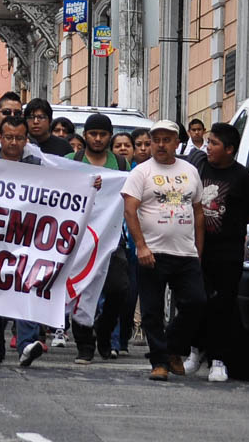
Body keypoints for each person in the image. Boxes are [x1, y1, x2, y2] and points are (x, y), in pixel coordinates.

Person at [123, 119, 207, 381]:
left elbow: (198, 211)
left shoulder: (190, 171)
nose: (160, 144)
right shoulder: (142, 172)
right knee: (152, 310)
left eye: (166, 139)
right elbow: (130, 209)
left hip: (185, 253)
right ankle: (159, 362)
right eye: (155, 139)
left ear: (176, 143)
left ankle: (172, 348)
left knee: (196, 303)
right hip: (153, 252)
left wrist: (198, 250)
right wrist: (141, 246)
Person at [0, 114, 52, 366]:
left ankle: (27, 344)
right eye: (9, 137)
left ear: (26, 140)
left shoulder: (38, 163)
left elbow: (65, 183)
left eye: (19, 138)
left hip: (27, 236)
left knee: (27, 286)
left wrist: (91, 183)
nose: (14, 143)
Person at [188, 122, 249, 381]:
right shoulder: (198, 169)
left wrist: (233, 223)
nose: (208, 147)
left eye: (214, 143)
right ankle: (194, 350)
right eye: (208, 142)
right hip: (198, 249)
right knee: (196, 302)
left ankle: (218, 360)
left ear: (230, 149)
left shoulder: (242, 176)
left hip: (228, 253)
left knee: (222, 306)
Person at [69, 113, 133, 365]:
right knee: (80, 291)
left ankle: (104, 331)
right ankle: (84, 344)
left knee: (119, 288)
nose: (97, 138)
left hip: (111, 240)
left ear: (109, 136)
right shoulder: (71, 160)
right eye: (93, 134)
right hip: (77, 240)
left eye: (102, 134)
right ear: (85, 135)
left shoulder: (119, 165)